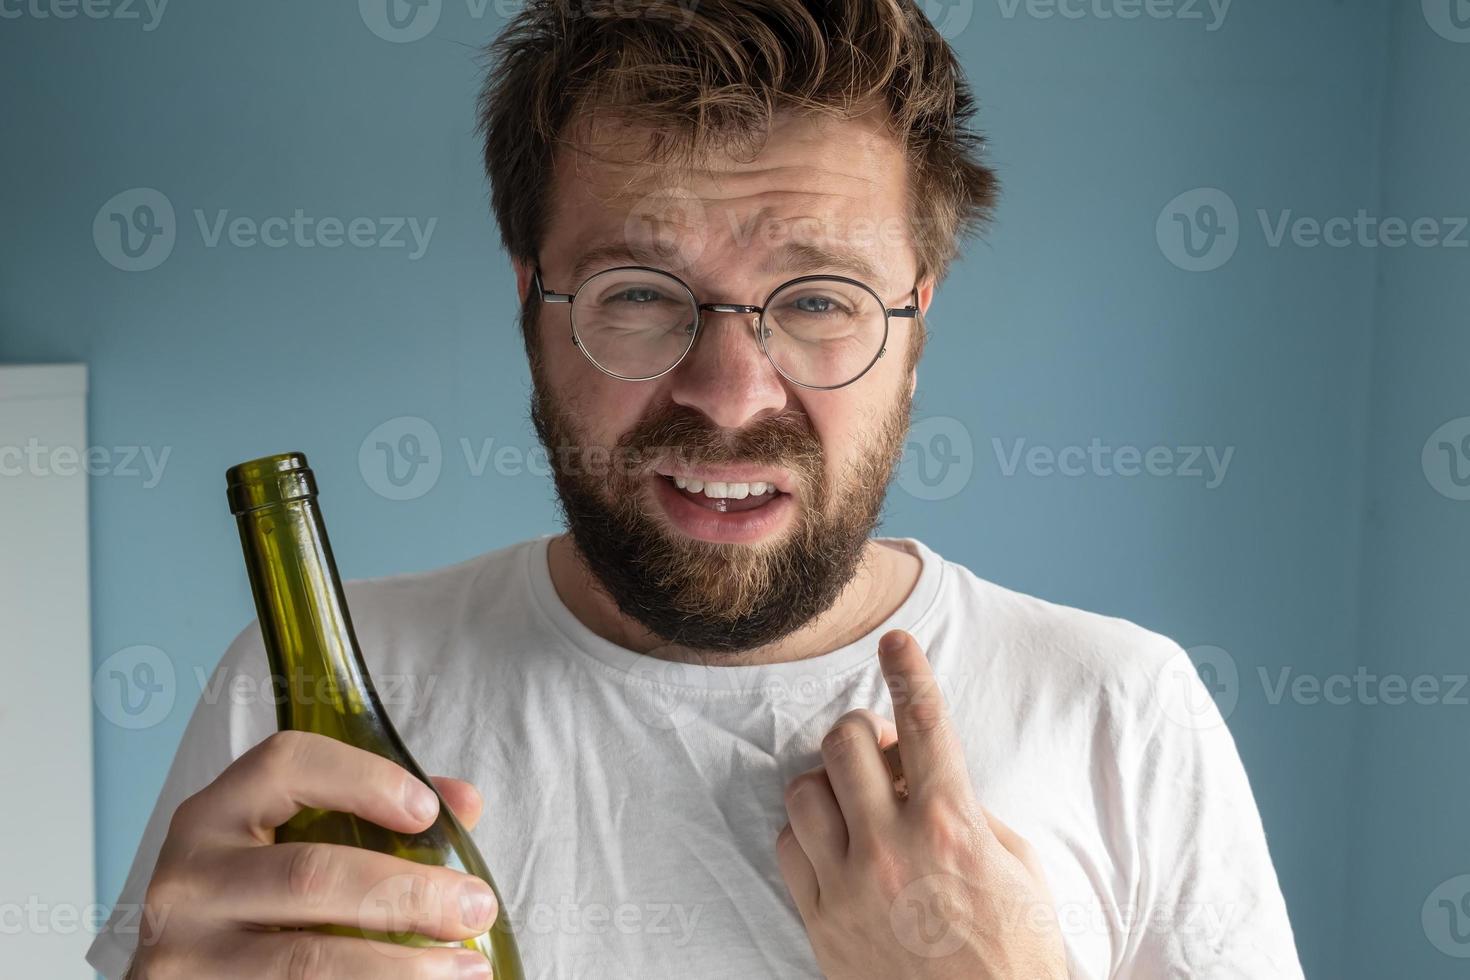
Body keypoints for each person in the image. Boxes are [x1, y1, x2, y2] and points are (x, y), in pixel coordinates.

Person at [89, 1, 1303, 977]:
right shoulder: (303, 692)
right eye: (637, 293)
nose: (729, 393)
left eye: (820, 298)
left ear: (918, 317)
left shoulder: (1120, 711)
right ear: (531, 302)